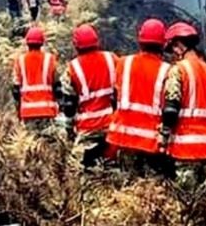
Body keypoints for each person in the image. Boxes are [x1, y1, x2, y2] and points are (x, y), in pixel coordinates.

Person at [159, 22, 206, 193]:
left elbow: (171, 109)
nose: (172, 55)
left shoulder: (179, 70)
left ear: (179, 45)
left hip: (186, 149)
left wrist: (164, 137)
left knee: (185, 202)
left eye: (172, 49)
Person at [107, 18, 174, 177]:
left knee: (125, 184)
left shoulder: (123, 63)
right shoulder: (168, 71)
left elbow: (114, 96)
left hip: (122, 136)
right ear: (163, 44)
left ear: (140, 40)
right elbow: (169, 108)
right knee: (148, 188)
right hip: (150, 141)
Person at [60, 24, 120, 169]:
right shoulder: (112, 58)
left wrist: (69, 129)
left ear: (76, 45)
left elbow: (69, 103)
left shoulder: (72, 68)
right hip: (113, 124)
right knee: (113, 167)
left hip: (89, 128)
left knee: (77, 169)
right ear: (97, 41)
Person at [12, 27, 61, 130]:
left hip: (28, 112)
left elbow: (16, 90)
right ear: (42, 43)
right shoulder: (50, 59)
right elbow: (57, 87)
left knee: (31, 143)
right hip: (47, 111)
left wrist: (18, 111)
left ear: (26, 43)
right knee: (48, 143)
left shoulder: (19, 61)